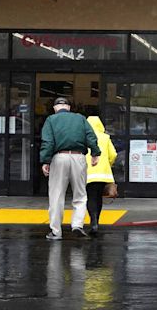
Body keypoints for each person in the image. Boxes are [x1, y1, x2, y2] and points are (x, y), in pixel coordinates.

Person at [40, 97, 101, 240]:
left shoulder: (51, 120)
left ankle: (56, 231)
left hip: (59, 157)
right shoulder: (80, 118)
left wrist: (45, 161)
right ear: (68, 107)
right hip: (79, 157)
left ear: (55, 108)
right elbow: (90, 136)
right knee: (80, 195)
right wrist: (95, 153)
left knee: (56, 195)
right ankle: (77, 225)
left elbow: (47, 142)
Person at [85, 116, 118, 235]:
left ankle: (93, 222)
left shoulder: (84, 137)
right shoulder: (105, 137)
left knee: (91, 197)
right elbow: (113, 154)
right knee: (98, 197)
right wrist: (108, 164)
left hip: (88, 173)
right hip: (103, 174)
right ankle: (96, 221)